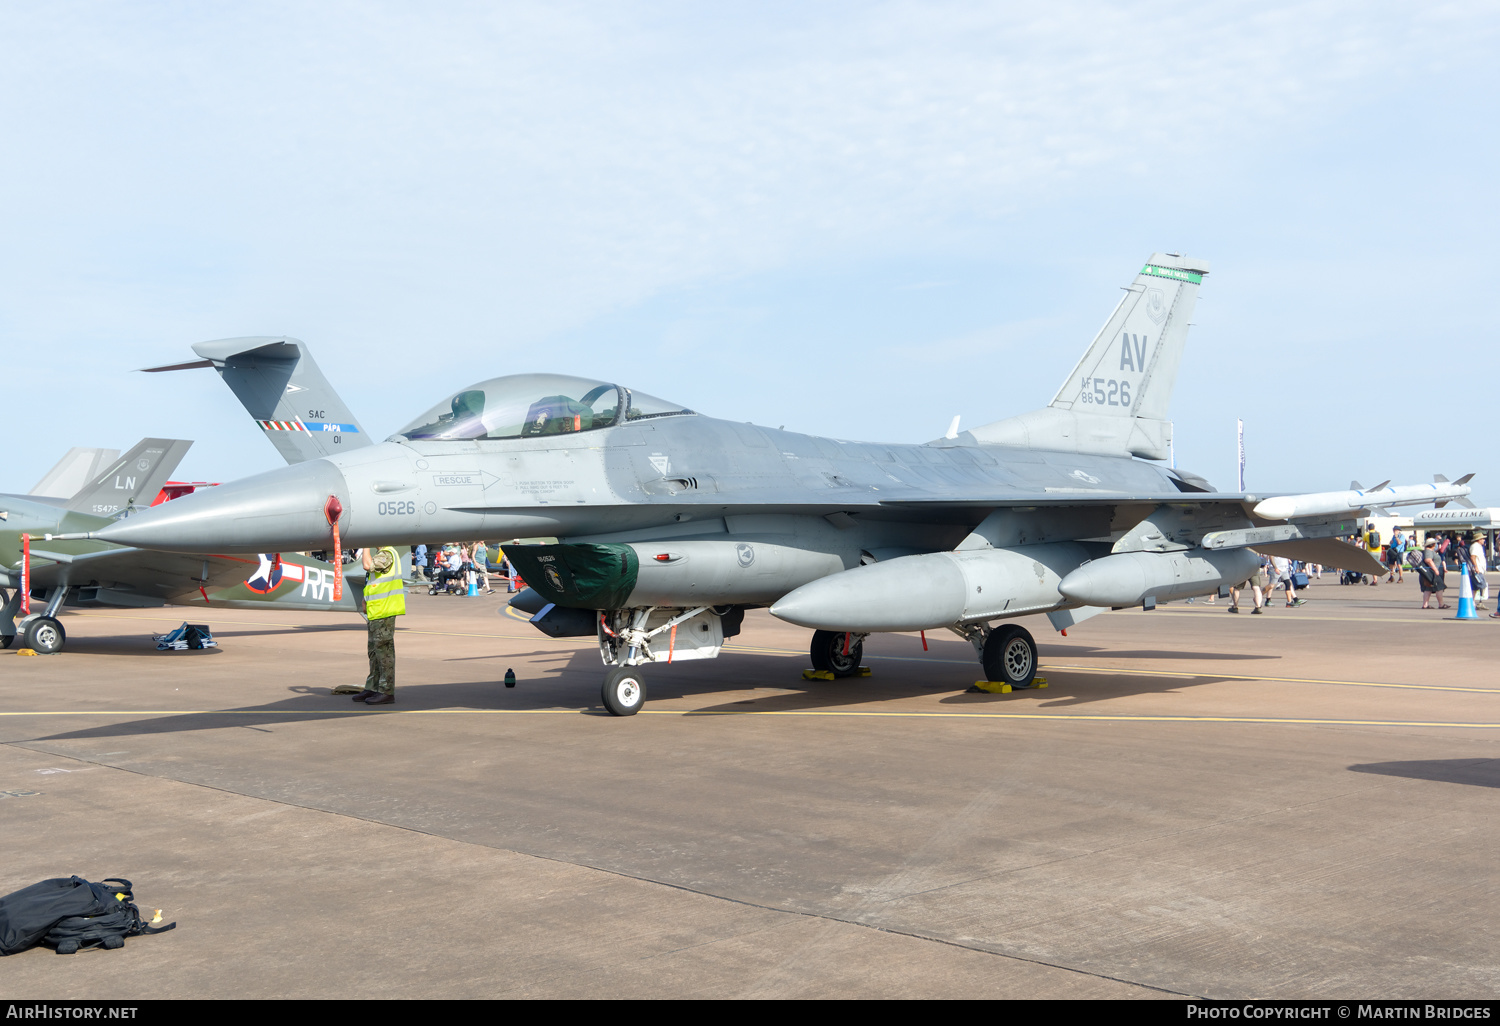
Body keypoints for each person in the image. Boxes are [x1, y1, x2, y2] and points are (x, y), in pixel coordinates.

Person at [352, 544, 407, 704]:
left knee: (384, 653)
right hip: (376, 611)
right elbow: (374, 580)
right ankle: (373, 687)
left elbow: (367, 566)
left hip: (385, 611)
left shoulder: (387, 554)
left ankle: (386, 691)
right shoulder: (382, 554)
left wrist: (365, 547)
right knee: (374, 652)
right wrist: (365, 599)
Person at [1419, 538, 1448, 610]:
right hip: (1433, 573)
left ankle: (1425, 604)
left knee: (1428, 588)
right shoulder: (1428, 551)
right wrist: (1435, 569)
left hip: (1429, 573)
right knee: (1439, 588)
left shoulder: (1429, 551)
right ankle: (1441, 604)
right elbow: (1428, 560)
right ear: (1433, 544)